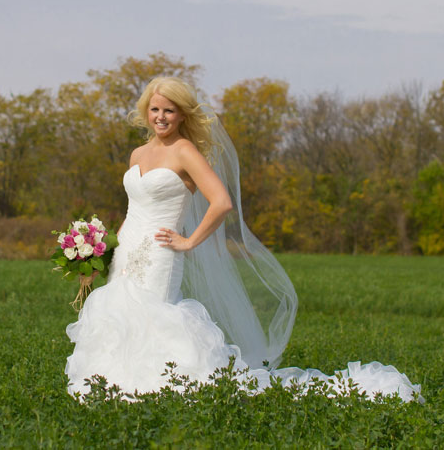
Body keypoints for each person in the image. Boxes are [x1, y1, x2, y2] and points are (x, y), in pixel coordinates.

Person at [65, 76, 422, 403]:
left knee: (153, 315)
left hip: (160, 252)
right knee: (120, 312)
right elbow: (132, 211)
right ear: (146, 111)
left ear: (180, 114)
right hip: (127, 250)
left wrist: (189, 243)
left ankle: (156, 384)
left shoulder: (185, 151)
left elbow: (221, 203)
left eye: (168, 111)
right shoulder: (137, 155)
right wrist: (104, 253)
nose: (160, 117)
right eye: (155, 109)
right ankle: (112, 383)